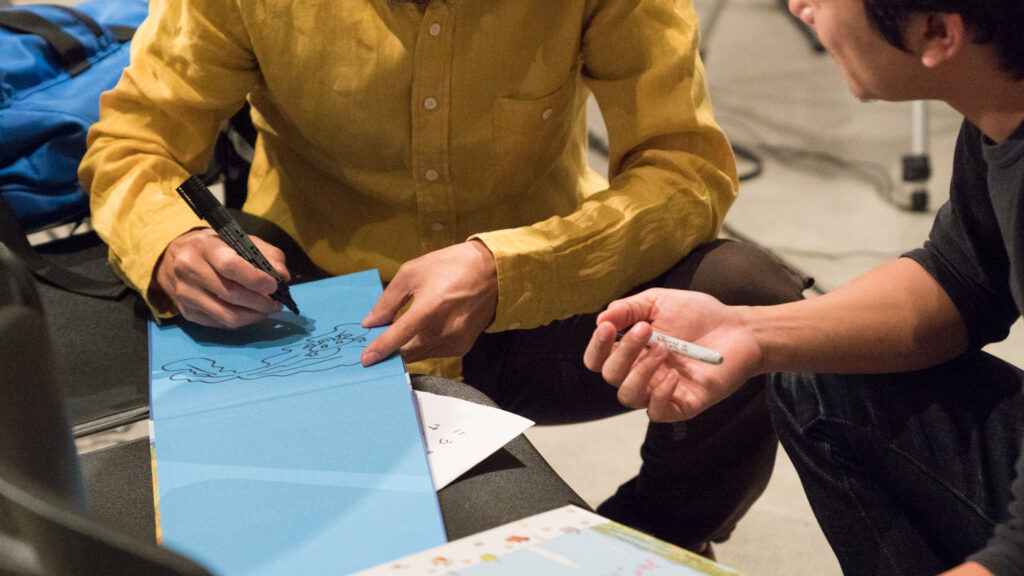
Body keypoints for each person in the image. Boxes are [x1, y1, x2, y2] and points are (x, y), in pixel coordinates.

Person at [79, 0, 808, 554]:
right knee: (294, 539)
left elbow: (687, 170)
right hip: (316, 308)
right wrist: (170, 242)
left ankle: (656, 538)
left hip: (536, 310)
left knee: (750, 293)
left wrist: (509, 267)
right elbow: (134, 141)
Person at [583, 0, 1024, 573]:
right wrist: (749, 331)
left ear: (937, 31)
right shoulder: (999, 108)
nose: (799, 7)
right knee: (821, 373)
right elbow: (963, 277)